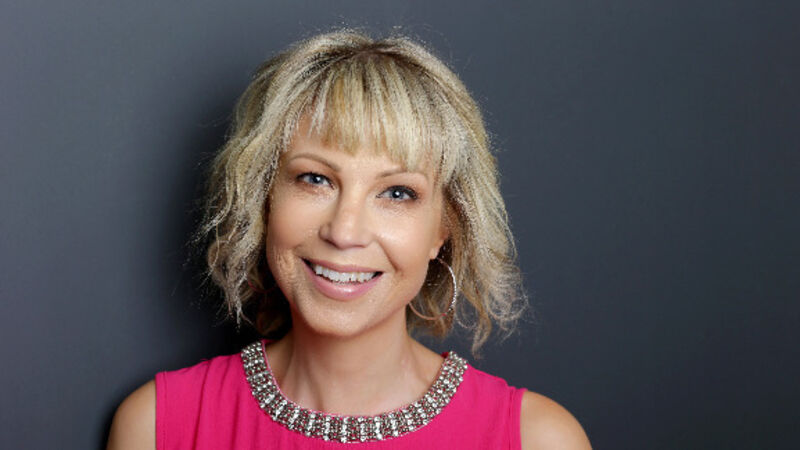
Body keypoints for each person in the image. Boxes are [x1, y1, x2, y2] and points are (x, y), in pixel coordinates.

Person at [107, 29, 591, 449]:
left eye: (397, 193)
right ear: (264, 199)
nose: (345, 232)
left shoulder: (539, 440)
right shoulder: (157, 427)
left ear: (444, 230)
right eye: (315, 179)